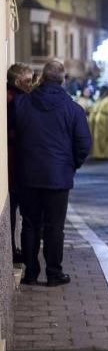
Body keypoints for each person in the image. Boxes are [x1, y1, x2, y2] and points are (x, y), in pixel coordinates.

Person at [13, 59, 91, 286]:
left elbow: (13, 135)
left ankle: (30, 273)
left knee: (30, 224)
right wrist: (70, 165)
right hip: (58, 177)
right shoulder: (73, 109)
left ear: (42, 78)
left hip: (28, 174)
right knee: (55, 227)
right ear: (63, 80)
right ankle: (54, 273)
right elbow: (83, 143)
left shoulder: (22, 103)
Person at [7, 63, 33, 263]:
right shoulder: (16, 100)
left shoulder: (16, 98)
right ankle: (14, 250)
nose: (31, 84)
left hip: (16, 162)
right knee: (17, 209)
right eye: (28, 80)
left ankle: (15, 249)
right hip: (15, 163)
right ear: (17, 82)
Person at [89, 86, 108, 159]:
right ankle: (105, 154)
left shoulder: (102, 100)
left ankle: (102, 153)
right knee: (105, 136)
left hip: (101, 118)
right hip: (104, 118)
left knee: (102, 136)